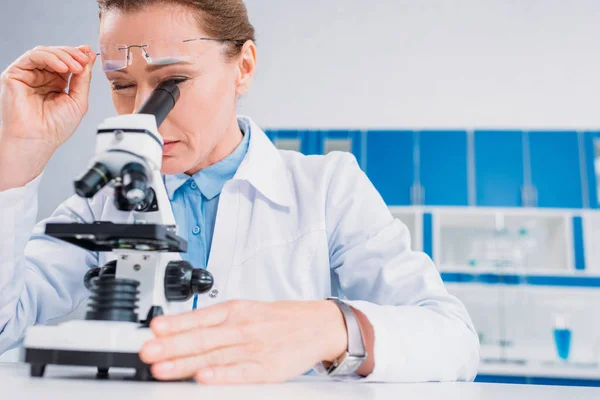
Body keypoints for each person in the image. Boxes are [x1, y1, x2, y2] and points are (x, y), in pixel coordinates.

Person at [0, 0, 479, 384]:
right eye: (121, 84)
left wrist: (326, 328)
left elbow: (454, 340)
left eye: (173, 82)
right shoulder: (101, 202)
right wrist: (17, 155)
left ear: (243, 67)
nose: (142, 115)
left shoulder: (327, 188)